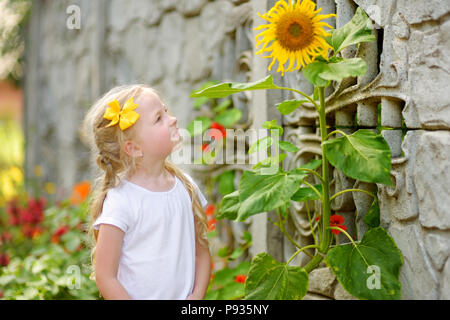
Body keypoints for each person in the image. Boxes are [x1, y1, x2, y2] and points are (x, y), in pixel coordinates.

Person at [80, 84, 211, 300]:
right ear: (133, 148)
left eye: (166, 111)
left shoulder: (185, 187)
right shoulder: (121, 201)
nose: (173, 119)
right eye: (159, 118)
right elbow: (105, 276)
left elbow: (201, 252)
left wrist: (195, 298)